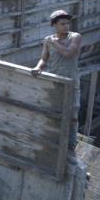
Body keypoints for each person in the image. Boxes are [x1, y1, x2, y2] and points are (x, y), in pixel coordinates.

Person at [31, 10, 82, 149]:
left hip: (71, 82)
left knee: (72, 114)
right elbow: (44, 58)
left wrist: (54, 43)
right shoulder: (48, 40)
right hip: (54, 81)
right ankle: (53, 141)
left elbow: (68, 53)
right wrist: (38, 67)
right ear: (55, 25)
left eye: (68, 23)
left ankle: (71, 145)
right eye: (62, 24)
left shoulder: (75, 37)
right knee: (53, 111)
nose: (66, 26)